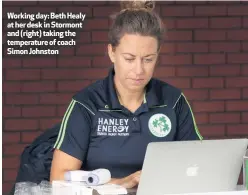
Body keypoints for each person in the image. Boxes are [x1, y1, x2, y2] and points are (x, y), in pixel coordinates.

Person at [50, 0, 203, 189]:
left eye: (148, 59)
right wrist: (120, 184)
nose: (139, 70)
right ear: (111, 52)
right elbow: (58, 179)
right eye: (129, 59)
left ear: (158, 54)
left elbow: (198, 166)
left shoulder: (173, 101)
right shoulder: (86, 104)